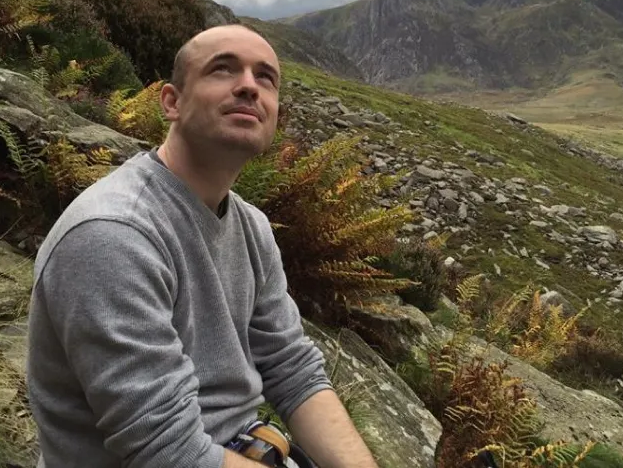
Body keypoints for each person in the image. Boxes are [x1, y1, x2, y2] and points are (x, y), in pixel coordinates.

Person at [25, 24, 380, 468]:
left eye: (265, 77)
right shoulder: (114, 233)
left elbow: (293, 371)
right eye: (223, 69)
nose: (249, 86)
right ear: (172, 102)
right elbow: (165, 451)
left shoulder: (252, 226)